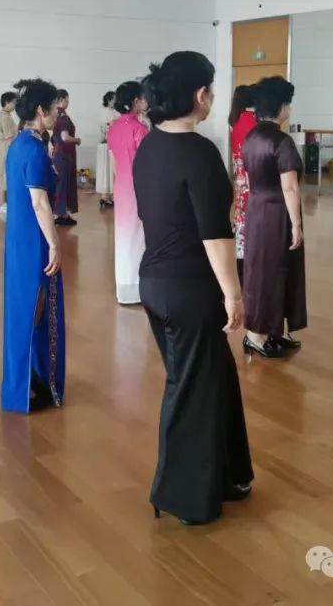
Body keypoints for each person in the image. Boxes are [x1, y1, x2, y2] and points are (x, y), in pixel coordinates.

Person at [134, 51, 253, 527]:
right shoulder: (199, 152)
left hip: (155, 282)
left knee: (214, 377)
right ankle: (182, 497)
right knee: (191, 388)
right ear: (201, 95)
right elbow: (215, 234)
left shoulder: (149, 145)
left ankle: (230, 475)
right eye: (212, 90)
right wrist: (234, 294)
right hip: (190, 287)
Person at [1, 79, 66, 414]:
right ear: (41, 111)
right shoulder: (32, 149)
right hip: (32, 240)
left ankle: (29, 379)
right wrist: (54, 244)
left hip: (20, 236)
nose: (58, 114)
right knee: (32, 309)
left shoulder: (21, 144)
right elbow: (39, 203)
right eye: (54, 109)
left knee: (28, 309)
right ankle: (24, 385)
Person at [241, 77, 306, 358]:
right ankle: (256, 335)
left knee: (261, 270)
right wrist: (297, 224)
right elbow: (290, 187)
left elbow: (250, 178)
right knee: (275, 271)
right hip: (278, 212)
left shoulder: (251, 137)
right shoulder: (281, 141)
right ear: (281, 107)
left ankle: (271, 329)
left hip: (256, 210)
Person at [107, 80, 149, 304]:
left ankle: (124, 287)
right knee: (138, 237)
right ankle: (137, 288)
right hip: (137, 187)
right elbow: (146, 164)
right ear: (135, 101)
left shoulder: (114, 127)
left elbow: (114, 162)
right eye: (142, 98)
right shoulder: (140, 129)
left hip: (121, 186)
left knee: (124, 238)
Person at [228, 85, 257, 279]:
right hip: (252, 178)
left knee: (241, 216)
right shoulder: (253, 122)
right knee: (253, 218)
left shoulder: (236, 121)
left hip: (239, 178)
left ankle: (240, 259)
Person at [52, 89, 81, 226]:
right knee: (64, 184)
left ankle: (62, 213)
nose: (68, 102)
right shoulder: (63, 117)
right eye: (66, 100)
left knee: (61, 183)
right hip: (65, 155)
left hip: (58, 153)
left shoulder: (54, 115)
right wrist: (77, 140)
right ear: (60, 100)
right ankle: (61, 214)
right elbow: (65, 137)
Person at [0, 91, 18, 215]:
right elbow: (9, 138)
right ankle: (2, 204)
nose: (15, 105)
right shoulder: (5, 117)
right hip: (5, 151)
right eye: (14, 102)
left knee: (4, 177)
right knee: (3, 177)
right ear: (7, 102)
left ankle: (4, 203)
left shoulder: (6, 115)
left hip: (5, 151)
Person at [96, 90, 119, 209]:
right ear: (109, 100)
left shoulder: (113, 111)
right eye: (114, 99)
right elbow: (106, 127)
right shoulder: (106, 112)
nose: (116, 101)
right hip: (106, 145)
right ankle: (105, 197)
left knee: (110, 171)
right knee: (106, 171)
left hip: (111, 144)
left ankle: (108, 197)